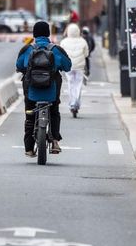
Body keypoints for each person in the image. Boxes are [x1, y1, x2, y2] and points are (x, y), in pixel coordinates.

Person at [16, 21, 72, 157]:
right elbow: (68, 66)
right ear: (48, 33)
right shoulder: (56, 50)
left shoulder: (27, 49)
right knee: (54, 112)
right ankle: (54, 142)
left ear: (34, 34)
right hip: (51, 92)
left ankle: (29, 148)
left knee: (29, 116)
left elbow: (19, 65)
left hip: (32, 92)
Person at [60, 23, 89, 118]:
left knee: (70, 84)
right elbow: (86, 54)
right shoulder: (83, 41)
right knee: (78, 85)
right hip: (80, 66)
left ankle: (72, 103)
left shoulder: (64, 42)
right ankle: (76, 102)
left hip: (69, 67)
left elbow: (61, 54)